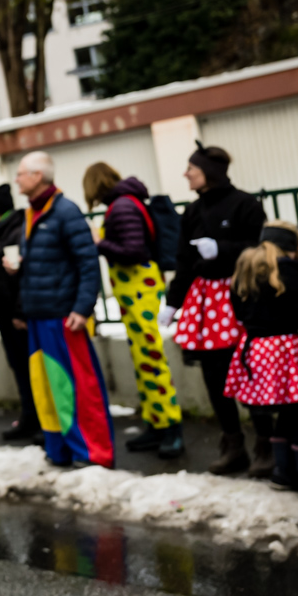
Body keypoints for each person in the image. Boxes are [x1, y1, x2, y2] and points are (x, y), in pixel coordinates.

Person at [161, 143, 265, 475]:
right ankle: (233, 446)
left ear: (210, 172)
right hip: (204, 305)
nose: (186, 174)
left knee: (249, 372)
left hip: (241, 298)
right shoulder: (191, 213)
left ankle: (267, 445)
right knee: (214, 375)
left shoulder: (246, 205)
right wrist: (173, 302)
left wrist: (222, 249)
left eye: (192, 168)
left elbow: (261, 249)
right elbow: (183, 260)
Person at [11, 151, 114, 469]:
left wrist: (83, 308)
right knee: (47, 388)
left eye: (21, 173)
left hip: (63, 317)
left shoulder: (66, 212)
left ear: (38, 176)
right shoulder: (32, 213)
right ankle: (60, 449)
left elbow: (87, 263)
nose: (17, 179)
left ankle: (92, 453)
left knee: (77, 387)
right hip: (39, 315)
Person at [224, 221, 298, 498]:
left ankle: (282, 472)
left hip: (256, 350)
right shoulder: (287, 270)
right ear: (290, 247)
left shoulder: (245, 269)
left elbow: (238, 311)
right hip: (286, 350)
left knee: (284, 413)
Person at [83, 163, 184, 459]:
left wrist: (100, 243)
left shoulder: (123, 206)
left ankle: (171, 426)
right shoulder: (124, 203)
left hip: (140, 288)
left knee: (151, 358)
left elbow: (134, 250)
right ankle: (156, 423)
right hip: (135, 291)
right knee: (142, 359)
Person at [0, 183, 41, 443]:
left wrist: (19, 312)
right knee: (20, 368)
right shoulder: (5, 232)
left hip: (16, 317)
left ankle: (36, 420)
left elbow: (21, 278)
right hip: (7, 315)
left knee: (28, 368)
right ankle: (31, 417)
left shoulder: (14, 233)